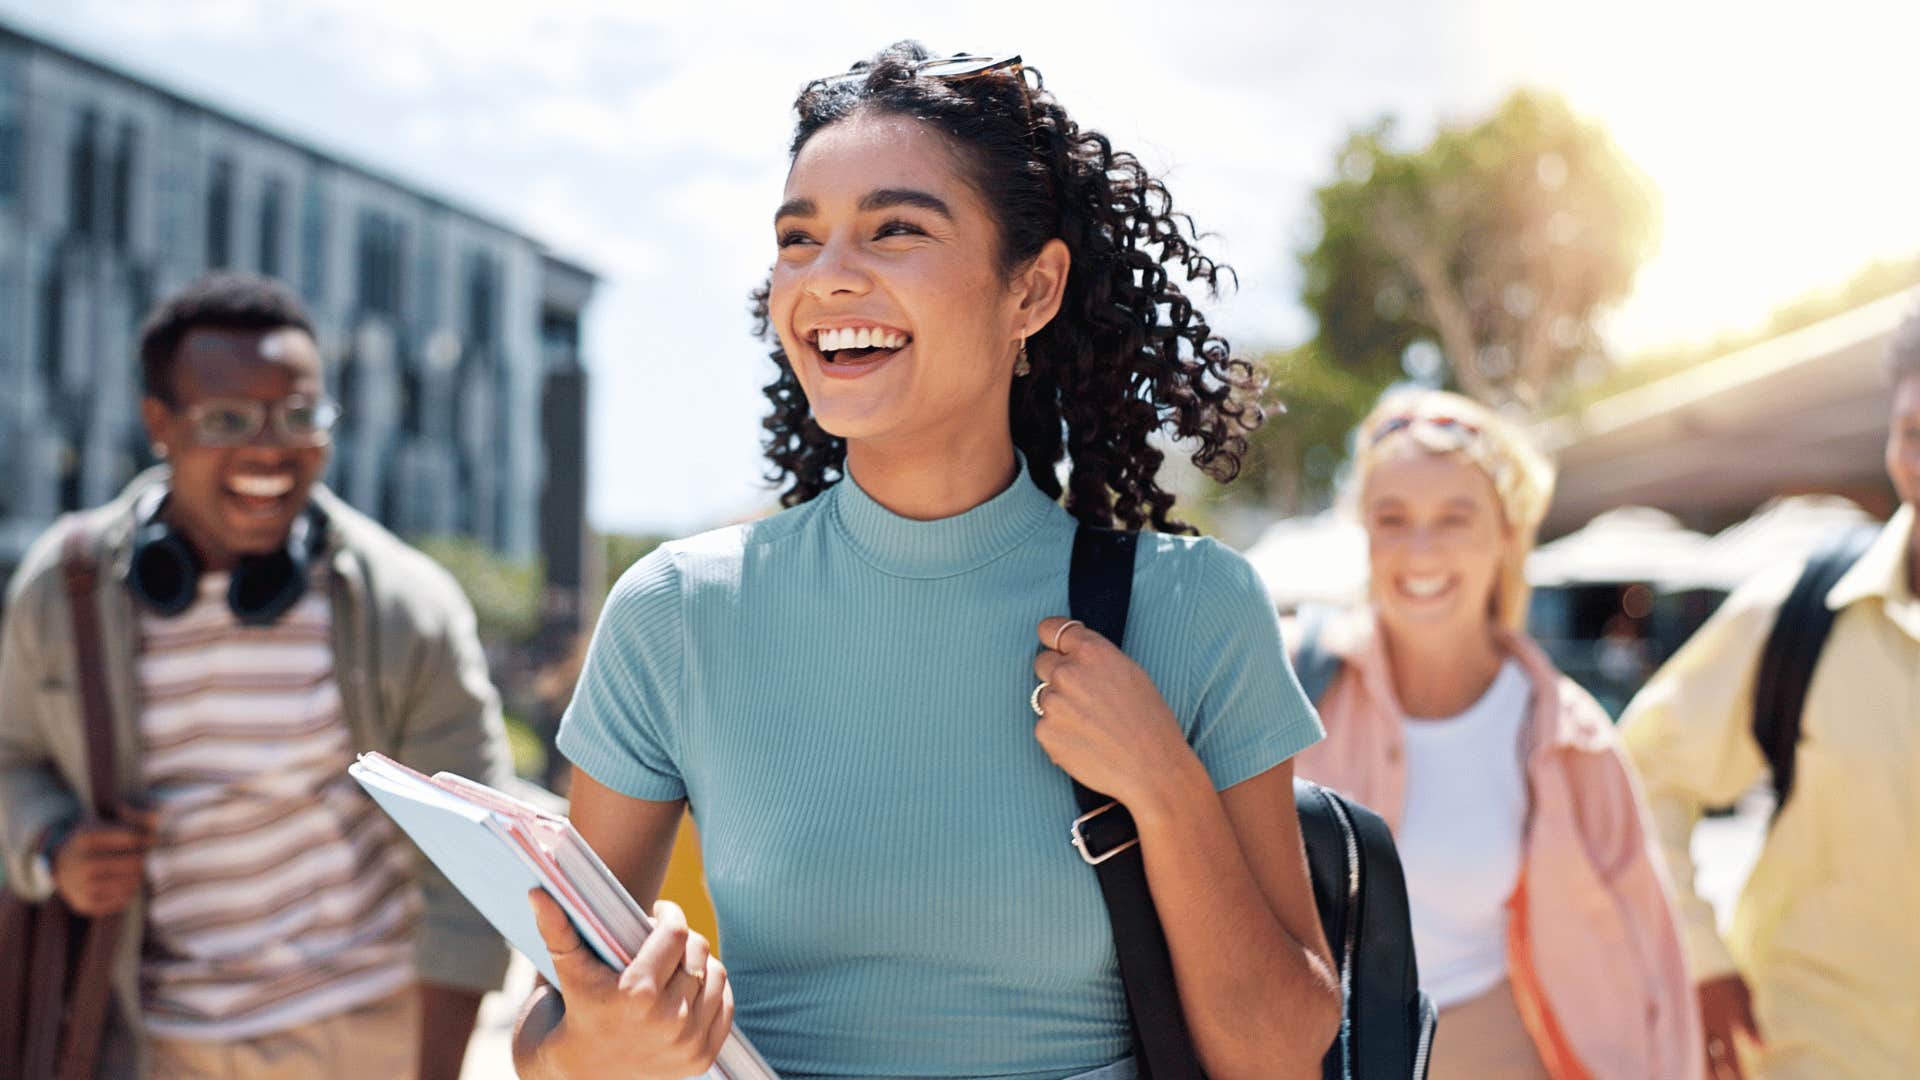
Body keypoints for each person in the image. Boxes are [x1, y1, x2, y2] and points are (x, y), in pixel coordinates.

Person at [512, 43, 1340, 1080]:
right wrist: (602, 1046)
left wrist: (1164, 788)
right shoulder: (677, 611)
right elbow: (547, 1042)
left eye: (896, 228)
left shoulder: (1194, 606)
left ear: (1032, 290)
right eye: (798, 239)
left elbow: (1279, 1055)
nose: (829, 276)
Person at [0, 273, 513, 1080]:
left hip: (362, 1036)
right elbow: (12, 757)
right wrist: (52, 842)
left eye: (300, 415)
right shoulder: (61, 589)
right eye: (229, 419)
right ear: (158, 424)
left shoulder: (409, 607)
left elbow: (472, 867)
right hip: (146, 1041)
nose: (271, 448)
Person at [1289, 389, 1700, 1080]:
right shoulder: (1288, 683)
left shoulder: (1568, 737)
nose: (1421, 549)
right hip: (1311, 1056)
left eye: (1455, 517)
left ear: (1506, 535)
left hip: (1496, 1052)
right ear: (1364, 532)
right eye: (1393, 518)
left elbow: (1649, 953)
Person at [1620, 310, 1920, 1080]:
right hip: (1807, 1049)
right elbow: (1639, 773)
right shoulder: (1799, 610)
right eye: (1915, 431)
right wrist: (1699, 956)